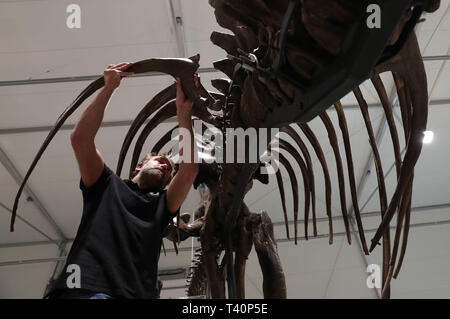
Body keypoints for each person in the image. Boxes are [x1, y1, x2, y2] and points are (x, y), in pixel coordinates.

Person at [45, 62, 199, 299]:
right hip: (84, 290)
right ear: (139, 166)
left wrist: (184, 112)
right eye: (159, 160)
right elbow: (81, 139)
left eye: (169, 170)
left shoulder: (162, 205)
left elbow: (189, 171)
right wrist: (109, 88)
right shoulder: (105, 185)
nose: (165, 166)